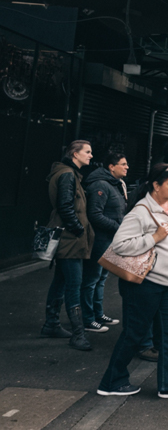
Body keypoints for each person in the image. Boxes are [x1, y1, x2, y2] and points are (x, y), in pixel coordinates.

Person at [97, 163, 168, 400]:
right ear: (156, 185)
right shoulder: (141, 211)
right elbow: (120, 245)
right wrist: (154, 238)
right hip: (145, 283)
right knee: (134, 333)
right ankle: (112, 381)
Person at [41, 140, 95, 350]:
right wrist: (78, 229)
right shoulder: (67, 175)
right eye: (87, 152)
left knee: (61, 281)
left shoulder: (68, 174)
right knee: (75, 284)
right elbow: (65, 206)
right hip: (70, 239)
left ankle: (51, 324)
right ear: (75, 154)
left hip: (69, 237)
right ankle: (78, 334)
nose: (91, 156)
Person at [81, 151, 129, 333]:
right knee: (91, 279)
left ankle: (98, 314)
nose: (127, 167)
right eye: (123, 164)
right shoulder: (100, 185)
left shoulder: (115, 185)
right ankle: (88, 319)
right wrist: (118, 227)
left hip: (109, 239)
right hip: (99, 239)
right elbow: (95, 215)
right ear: (111, 166)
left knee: (101, 278)